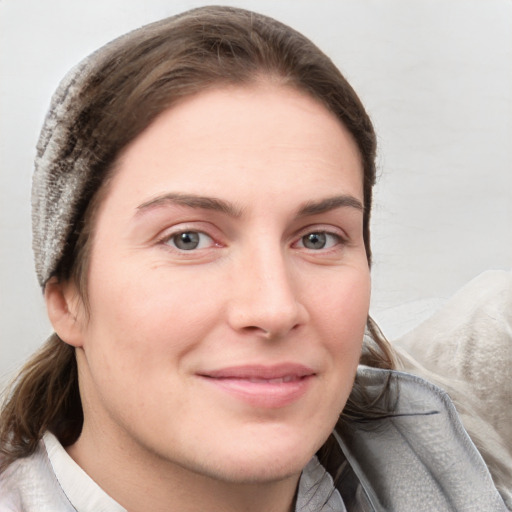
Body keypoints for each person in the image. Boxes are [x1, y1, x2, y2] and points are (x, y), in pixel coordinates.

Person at [0, 6, 507, 511]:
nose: (274, 309)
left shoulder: (457, 437)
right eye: (188, 239)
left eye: (317, 239)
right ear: (67, 297)